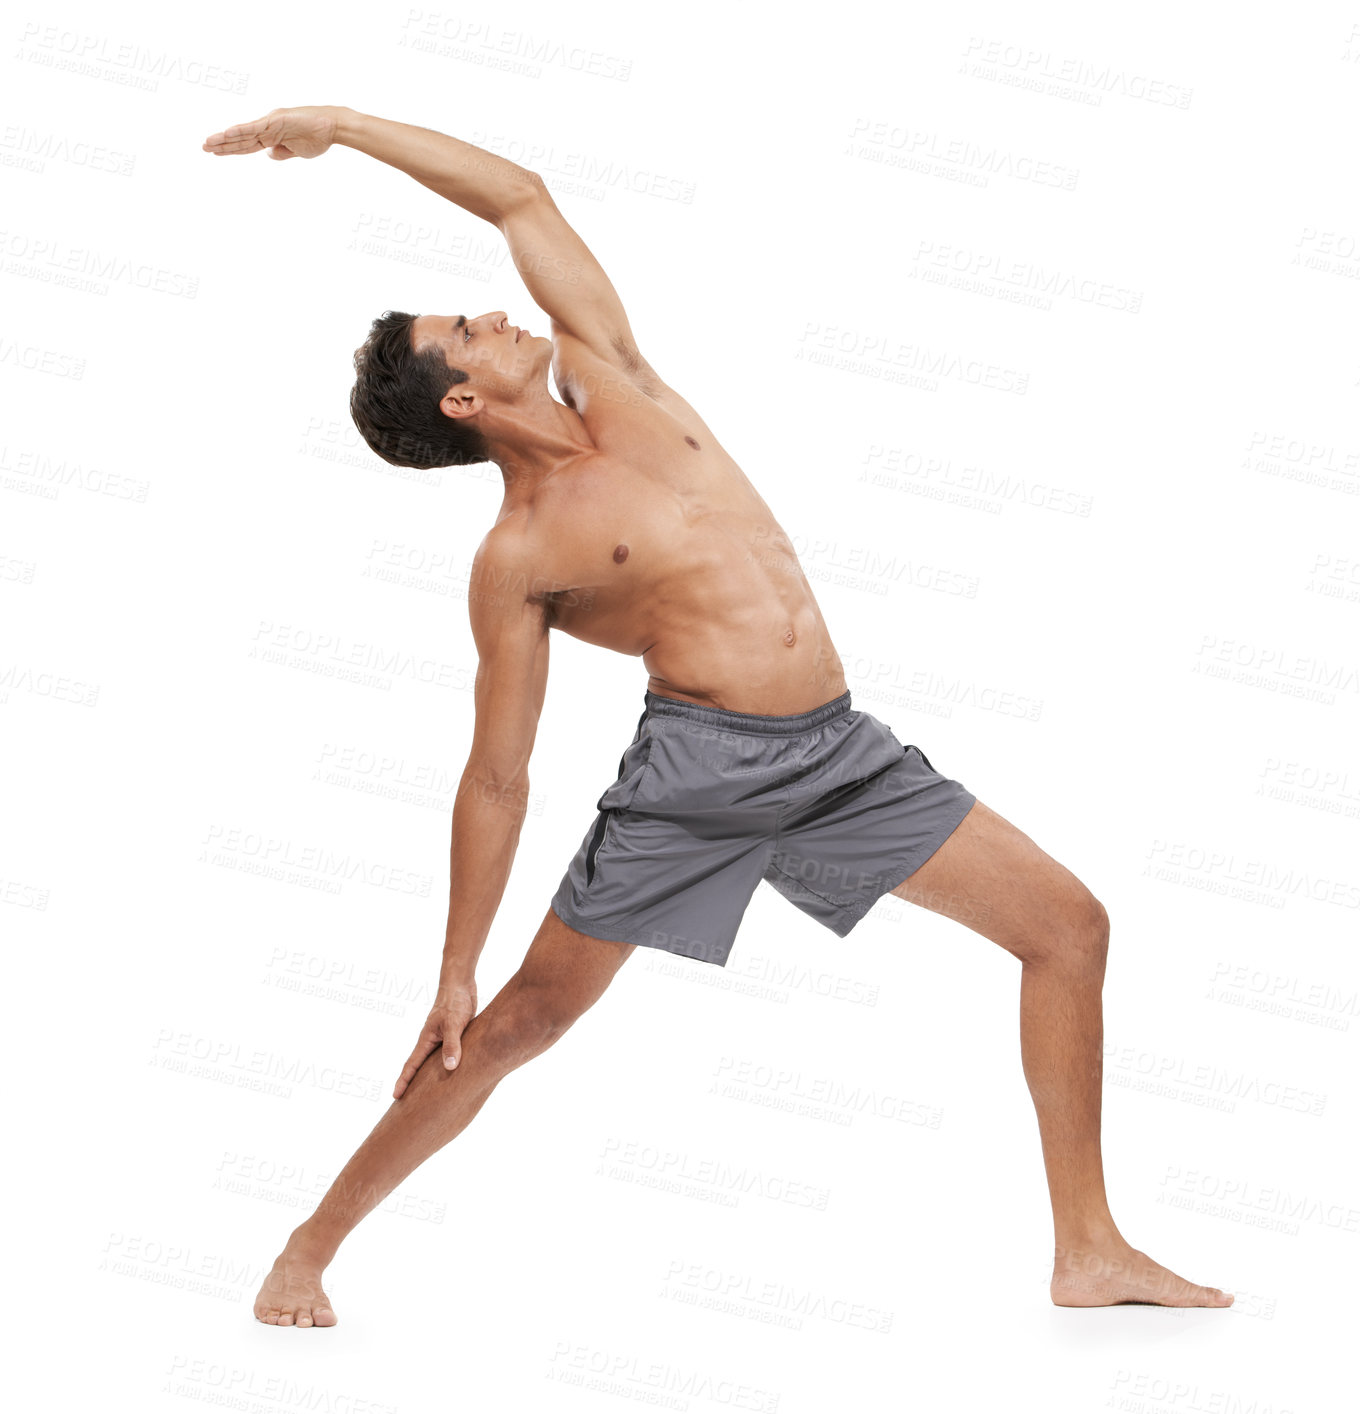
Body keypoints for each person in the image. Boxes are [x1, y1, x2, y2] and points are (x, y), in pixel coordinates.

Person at [201, 106, 1234, 1326]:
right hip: (699, 773)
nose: (492, 314)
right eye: (465, 331)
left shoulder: (618, 379)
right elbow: (496, 775)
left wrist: (342, 128)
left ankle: (1089, 1249)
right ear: (465, 402)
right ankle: (307, 1247)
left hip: (841, 751)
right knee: (523, 1020)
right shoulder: (518, 553)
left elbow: (520, 196)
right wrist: (453, 964)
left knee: (1067, 927)